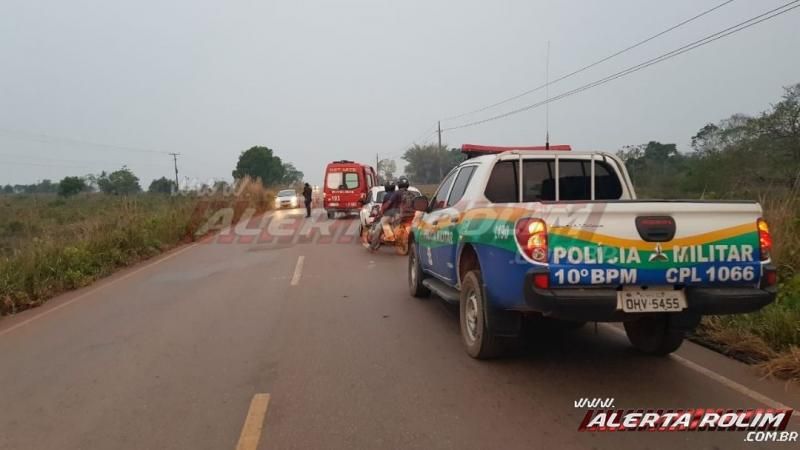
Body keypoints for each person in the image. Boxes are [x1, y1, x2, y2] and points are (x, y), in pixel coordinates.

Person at [369, 178, 412, 249]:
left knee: (379, 227)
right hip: (408, 215)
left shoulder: (394, 194)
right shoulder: (411, 194)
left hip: (394, 215)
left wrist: (381, 212)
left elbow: (388, 204)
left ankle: (373, 245)